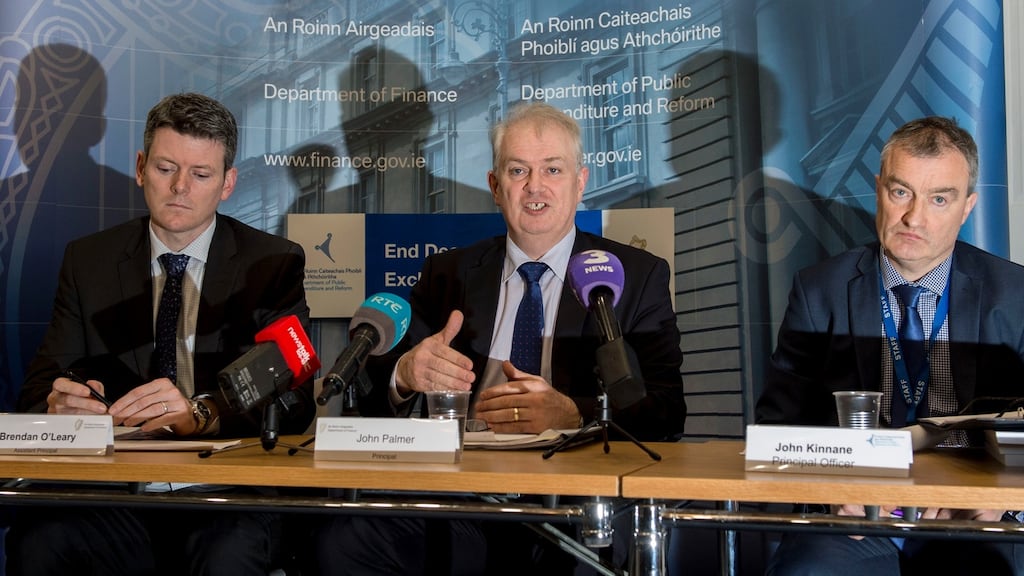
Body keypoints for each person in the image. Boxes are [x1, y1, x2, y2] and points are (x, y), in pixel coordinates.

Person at [313, 101, 686, 575]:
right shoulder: (447, 272)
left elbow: (667, 411)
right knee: (343, 541)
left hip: (575, 502)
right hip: (463, 495)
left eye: (553, 169)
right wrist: (404, 376)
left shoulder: (635, 275)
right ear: (495, 185)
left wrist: (573, 413)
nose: (535, 187)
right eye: (517, 170)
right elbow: (374, 399)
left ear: (580, 182)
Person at [7, 92, 315, 576]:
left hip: (225, 492)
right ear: (140, 167)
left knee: (227, 554)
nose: (180, 188)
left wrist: (202, 415)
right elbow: (36, 393)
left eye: (201, 174)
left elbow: (295, 402)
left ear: (228, 183)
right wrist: (58, 404)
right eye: (166, 168)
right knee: (43, 540)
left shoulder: (272, 263)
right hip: (115, 491)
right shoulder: (88, 261)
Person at [756, 116, 1024, 575]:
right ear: (878, 189)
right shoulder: (819, 290)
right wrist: (829, 495)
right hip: (860, 524)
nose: (914, 218)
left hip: (976, 516)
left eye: (940, 199)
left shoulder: (1015, 294)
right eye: (901, 192)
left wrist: (1007, 502)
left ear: (967, 207)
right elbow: (780, 425)